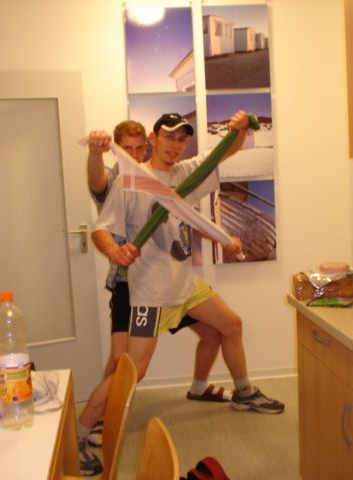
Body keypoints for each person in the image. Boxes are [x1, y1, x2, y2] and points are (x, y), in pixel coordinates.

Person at [80, 112, 284, 475]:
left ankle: (242, 392)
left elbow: (224, 152)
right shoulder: (130, 180)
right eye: (169, 136)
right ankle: (80, 435)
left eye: (182, 138)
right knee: (133, 370)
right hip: (150, 290)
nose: (176, 144)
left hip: (184, 284)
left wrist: (238, 130)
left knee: (230, 325)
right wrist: (115, 251)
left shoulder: (185, 173)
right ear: (154, 138)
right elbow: (101, 229)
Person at [82, 121, 229, 462]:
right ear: (117, 151)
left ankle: (199, 387)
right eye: (126, 150)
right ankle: (94, 423)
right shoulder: (119, 180)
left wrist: (223, 238)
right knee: (126, 363)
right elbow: (96, 188)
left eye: (138, 149)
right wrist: (95, 152)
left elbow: (185, 220)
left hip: (172, 285)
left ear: (147, 146)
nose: (134, 156)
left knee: (219, 328)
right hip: (131, 284)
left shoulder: (158, 180)